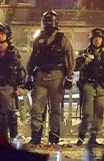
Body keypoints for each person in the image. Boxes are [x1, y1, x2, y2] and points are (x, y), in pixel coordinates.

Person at [26, 10, 74, 145]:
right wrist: (28, 75)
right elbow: (33, 58)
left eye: (49, 21)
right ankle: (36, 135)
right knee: (36, 108)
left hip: (57, 77)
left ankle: (54, 136)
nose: (47, 24)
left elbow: (70, 59)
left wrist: (69, 78)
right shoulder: (38, 39)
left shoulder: (62, 39)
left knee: (56, 109)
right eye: (45, 21)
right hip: (40, 76)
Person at [74, 27, 104, 146]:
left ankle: (93, 138)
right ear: (91, 39)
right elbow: (76, 67)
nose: (97, 40)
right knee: (87, 114)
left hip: (101, 87)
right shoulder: (84, 53)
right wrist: (83, 61)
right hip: (89, 85)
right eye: (95, 38)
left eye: (100, 38)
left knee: (98, 114)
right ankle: (81, 137)